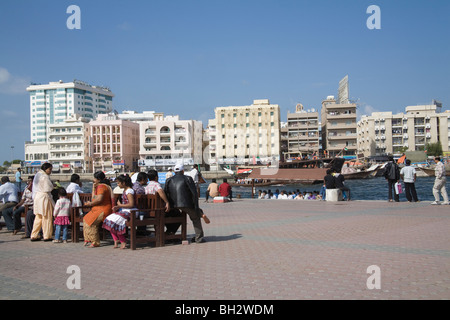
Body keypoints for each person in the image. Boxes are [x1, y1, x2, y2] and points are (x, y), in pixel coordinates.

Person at [164, 163, 206, 243]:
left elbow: (166, 193)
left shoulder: (168, 180)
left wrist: (168, 204)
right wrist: (196, 207)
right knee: (195, 217)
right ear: (183, 171)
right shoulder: (188, 178)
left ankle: (170, 234)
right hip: (185, 204)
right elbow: (194, 193)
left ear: (174, 171)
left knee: (175, 216)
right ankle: (199, 237)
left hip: (173, 205)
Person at [103, 175, 136, 249]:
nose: (117, 185)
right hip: (125, 210)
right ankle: (116, 239)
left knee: (116, 221)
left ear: (123, 183)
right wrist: (118, 206)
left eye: (118, 183)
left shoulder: (129, 191)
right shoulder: (125, 190)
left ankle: (122, 240)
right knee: (108, 219)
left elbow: (131, 204)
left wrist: (120, 205)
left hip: (131, 211)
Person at [82, 171, 113, 248]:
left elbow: (99, 199)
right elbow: (94, 198)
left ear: (98, 179)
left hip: (103, 209)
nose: (93, 179)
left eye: (94, 178)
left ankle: (95, 242)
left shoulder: (102, 187)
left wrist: (90, 204)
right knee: (86, 219)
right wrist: (93, 188)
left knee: (91, 222)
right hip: (98, 209)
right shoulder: (99, 186)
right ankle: (88, 239)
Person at [30, 163, 55, 241]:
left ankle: (34, 234)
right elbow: (48, 188)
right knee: (46, 217)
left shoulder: (38, 174)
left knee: (38, 217)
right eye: (50, 169)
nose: (50, 171)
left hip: (37, 197)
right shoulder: (44, 177)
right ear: (46, 169)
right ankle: (47, 235)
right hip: (44, 197)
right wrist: (53, 186)